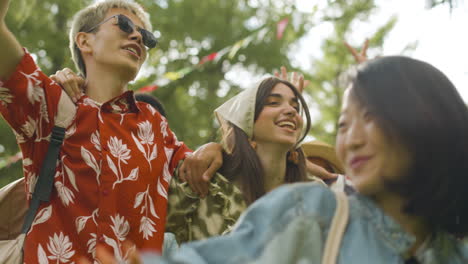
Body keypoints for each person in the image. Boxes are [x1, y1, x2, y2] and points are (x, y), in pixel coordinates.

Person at [147, 56, 468, 263]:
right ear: (247, 122)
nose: (351, 140)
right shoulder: (313, 208)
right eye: (343, 125)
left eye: (369, 117)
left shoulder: (452, 251)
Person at [0, 0, 223, 262]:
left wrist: (215, 147)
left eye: (147, 36)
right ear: (85, 42)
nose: (138, 36)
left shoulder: (154, 124)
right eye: (124, 24)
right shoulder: (50, 105)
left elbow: (204, 175)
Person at [165, 76, 315, 244]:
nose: (292, 111)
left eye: (295, 106)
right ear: (246, 121)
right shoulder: (202, 183)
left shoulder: (314, 195)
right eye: (273, 103)